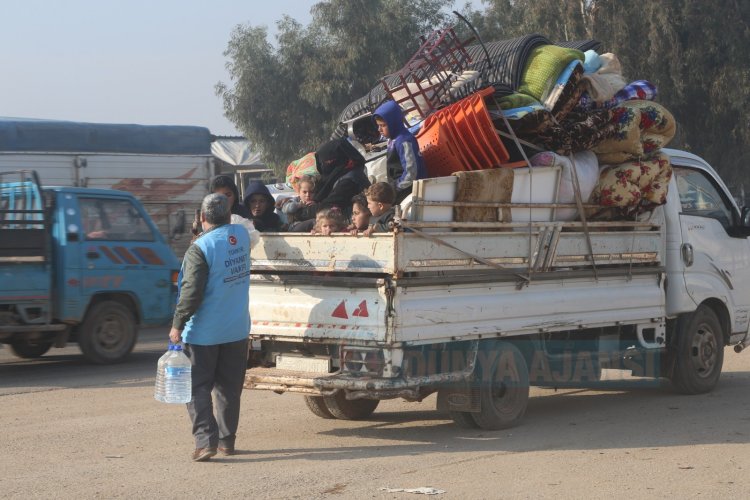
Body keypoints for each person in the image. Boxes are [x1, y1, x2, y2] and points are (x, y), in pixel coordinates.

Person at [169, 193, 251, 462]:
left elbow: (191, 292)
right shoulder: (241, 235)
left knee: (195, 388)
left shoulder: (200, 248)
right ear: (228, 216)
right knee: (229, 388)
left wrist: (177, 324)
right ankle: (227, 442)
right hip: (237, 328)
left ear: (202, 218)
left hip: (204, 333)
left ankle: (205, 442)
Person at [288, 138, 371, 232]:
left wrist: (299, 212)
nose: (323, 166)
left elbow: (327, 206)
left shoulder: (350, 180)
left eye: (326, 163)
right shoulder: (338, 176)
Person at [373, 100, 427, 204]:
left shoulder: (404, 141)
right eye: (378, 125)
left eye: (383, 125)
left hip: (413, 190)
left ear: (394, 123)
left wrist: (394, 188)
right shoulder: (392, 139)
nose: (379, 129)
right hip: (401, 188)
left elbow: (411, 173)